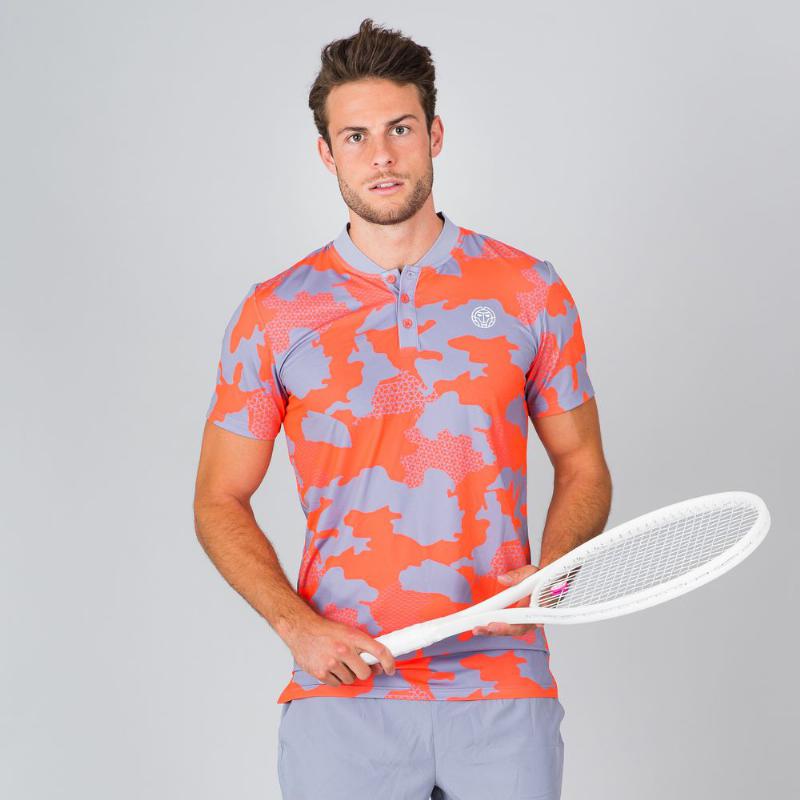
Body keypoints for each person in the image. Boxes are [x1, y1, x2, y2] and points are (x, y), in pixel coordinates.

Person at [193, 17, 612, 800]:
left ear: (434, 134)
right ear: (327, 154)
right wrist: (296, 628)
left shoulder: (529, 289)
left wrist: (549, 578)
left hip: (502, 688)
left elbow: (582, 463)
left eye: (400, 128)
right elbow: (218, 498)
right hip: (345, 692)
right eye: (355, 137)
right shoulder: (274, 313)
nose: (381, 155)